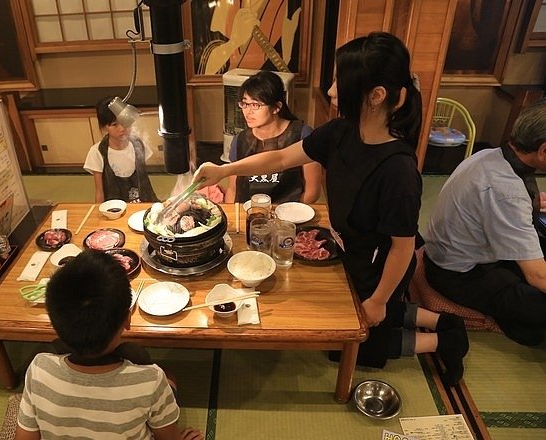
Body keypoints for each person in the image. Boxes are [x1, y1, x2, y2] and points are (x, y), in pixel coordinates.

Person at [194, 32, 468, 385]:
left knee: (353, 342)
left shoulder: (398, 169)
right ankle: (439, 318)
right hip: (347, 249)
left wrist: (380, 300)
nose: (332, 90)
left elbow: (403, 248)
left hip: (379, 263)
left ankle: (442, 338)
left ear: (376, 95)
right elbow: (280, 156)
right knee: (350, 312)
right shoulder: (341, 131)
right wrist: (225, 169)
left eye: (340, 80)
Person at [15, 250, 203, 440]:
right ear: (128, 319)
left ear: (55, 324)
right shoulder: (150, 380)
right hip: (150, 389)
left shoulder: (39, 368)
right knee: (169, 379)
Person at [423, 99, 546, 346]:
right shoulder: (507, 191)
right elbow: (537, 276)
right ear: (543, 150)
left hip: (447, 254)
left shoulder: (490, 155)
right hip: (459, 274)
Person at [226, 70, 321, 204]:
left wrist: (288, 215)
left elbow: (312, 192)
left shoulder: (302, 135)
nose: (248, 111)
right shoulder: (240, 140)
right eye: (244, 104)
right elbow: (233, 190)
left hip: (289, 215)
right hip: (250, 213)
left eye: (255, 105)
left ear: (276, 107)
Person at [83, 97, 158, 203]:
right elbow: (99, 192)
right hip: (114, 208)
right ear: (104, 128)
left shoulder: (139, 145)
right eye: (114, 125)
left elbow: (144, 181)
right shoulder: (97, 152)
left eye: (124, 122)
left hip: (143, 203)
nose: (122, 128)